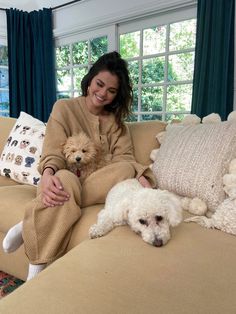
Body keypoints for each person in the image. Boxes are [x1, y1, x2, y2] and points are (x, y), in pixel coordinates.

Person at [2, 51, 156, 281]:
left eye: (111, 91)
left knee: (125, 170)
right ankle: (37, 269)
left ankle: (27, 224)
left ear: (117, 95)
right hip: (62, 179)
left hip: (96, 182)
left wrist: (141, 173)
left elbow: (125, 159)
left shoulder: (117, 125)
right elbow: (53, 150)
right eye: (99, 84)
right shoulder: (63, 108)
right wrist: (47, 174)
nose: (103, 94)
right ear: (90, 79)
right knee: (65, 178)